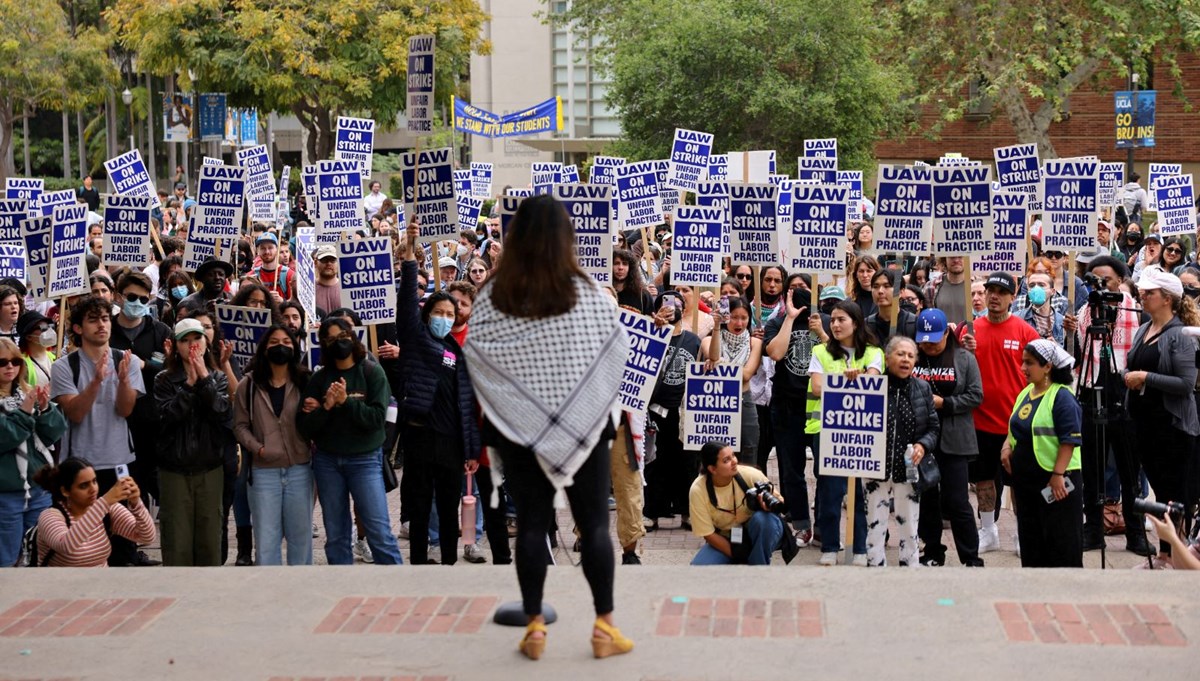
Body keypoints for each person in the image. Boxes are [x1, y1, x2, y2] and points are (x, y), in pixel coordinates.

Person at [463, 195, 632, 660]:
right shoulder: (590, 295)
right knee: (596, 524)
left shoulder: (493, 298)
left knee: (533, 524)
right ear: (566, 238)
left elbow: (475, 357)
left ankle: (534, 627)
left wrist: (512, 407)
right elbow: (616, 354)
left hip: (517, 429)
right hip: (586, 424)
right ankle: (604, 627)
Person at [397, 222, 481, 566]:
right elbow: (405, 300)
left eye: (451, 314)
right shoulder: (416, 340)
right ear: (426, 314)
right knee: (419, 507)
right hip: (419, 436)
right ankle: (418, 563)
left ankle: (448, 564)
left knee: (448, 508)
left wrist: (471, 449)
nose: (445, 319)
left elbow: (465, 405)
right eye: (439, 313)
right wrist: (410, 252)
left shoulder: (457, 352)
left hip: (450, 443)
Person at [1063, 255, 1153, 556]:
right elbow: (1075, 359)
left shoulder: (1132, 309)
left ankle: (1136, 533)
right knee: (1092, 468)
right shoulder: (1086, 311)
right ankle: (1093, 531)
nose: (1101, 285)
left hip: (1124, 398)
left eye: (1107, 280)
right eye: (1095, 280)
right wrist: (1072, 332)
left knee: (1129, 470)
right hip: (1091, 394)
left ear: (1120, 281)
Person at [50, 295, 147, 566]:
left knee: (124, 543)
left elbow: (125, 410)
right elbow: (75, 413)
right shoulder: (64, 366)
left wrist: (125, 379)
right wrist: (95, 382)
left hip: (119, 462)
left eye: (105, 319)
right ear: (78, 328)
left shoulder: (124, 360)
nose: (101, 325)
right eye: (93, 320)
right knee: (84, 545)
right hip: (80, 466)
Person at [298, 316, 402, 565]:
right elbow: (304, 427)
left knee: (379, 532)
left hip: (365, 461)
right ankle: (341, 588)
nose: (338, 342)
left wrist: (346, 403)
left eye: (342, 336)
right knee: (336, 535)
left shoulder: (371, 372)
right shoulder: (319, 378)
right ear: (323, 343)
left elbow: (377, 419)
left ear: (353, 337)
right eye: (331, 339)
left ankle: (400, 587)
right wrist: (327, 406)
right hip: (327, 462)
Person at [1122, 265, 1200, 566]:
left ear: (1167, 298)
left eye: (1150, 292)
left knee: (1174, 495)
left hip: (1173, 428)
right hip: (1145, 425)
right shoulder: (1144, 328)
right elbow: (1133, 362)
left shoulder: (1180, 334)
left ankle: (1176, 556)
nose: (1143, 295)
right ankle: (1165, 555)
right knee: (1159, 492)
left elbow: (1185, 384)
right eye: (1142, 291)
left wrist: (1145, 376)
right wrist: (1131, 373)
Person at [963, 272, 1040, 554]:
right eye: (990, 290)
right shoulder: (970, 330)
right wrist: (965, 349)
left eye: (1001, 292)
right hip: (980, 421)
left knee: (1018, 482)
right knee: (983, 479)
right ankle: (988, 531)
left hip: (1016, 424)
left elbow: (1042, 373)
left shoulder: (1024, 331)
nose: (994, 296)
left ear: (1012, 296)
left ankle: (1021, 534)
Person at [808, 300, 883, 565]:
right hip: (826, 430)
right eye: (833, 320)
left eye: (842, 319)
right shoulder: (820, 351)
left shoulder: (873, 352)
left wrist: (860, 376)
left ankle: (859, 548)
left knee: (858, 492)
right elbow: (817, 388)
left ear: (856, 322)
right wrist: (846, 379)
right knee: (830, 491)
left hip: (861, 431)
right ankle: (829, 545)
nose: (836, 324)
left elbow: (873, 380)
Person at [153, 318, 232, 566]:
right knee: (177, 545)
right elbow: (166, 418)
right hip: (174, 470)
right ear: (176, 346)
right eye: (185, 341)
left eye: (196, 339)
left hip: (209, 468)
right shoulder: (164, 380)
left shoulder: (218, 378)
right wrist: (188, 386)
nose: (192, 346)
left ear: (206, 343)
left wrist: (204, 380)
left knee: (209, 542)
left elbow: (222, 412)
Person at [233, 325, 313, 566]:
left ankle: (301, 595)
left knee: (301, 539)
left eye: (287, 342)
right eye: (275, 342)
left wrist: (317, 410)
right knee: (267, 542)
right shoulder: (248, 385)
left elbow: (317, 423)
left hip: (300, 469)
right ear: (264, 348)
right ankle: (270, 597)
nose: (281, 346)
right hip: (263, 472)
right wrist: (257, 448)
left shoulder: (306, 381)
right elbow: (239, 426)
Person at [1000, 339, 1084, 568]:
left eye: (1029, 363)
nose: (1023, 368)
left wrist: (1058, 475)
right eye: (1022, 362)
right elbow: (1014, 426)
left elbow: (1070, 441)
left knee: (1060, 544)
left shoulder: (1062, 397)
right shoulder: (1027, 392)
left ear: (1048, 366)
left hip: (1057, 485)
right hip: (1028, 484)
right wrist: (1007, 446)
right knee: (1032, 544)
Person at [913, 309, 985, 567]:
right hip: (922, 439)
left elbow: (976, 395)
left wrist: (946, 403)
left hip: (954, 439)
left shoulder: (964, 359)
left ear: (947, 333)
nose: (929, 345)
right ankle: (932, 551)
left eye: (934, 339)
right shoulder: (914, 357)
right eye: (924, 340)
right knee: (927, 499)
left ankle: (971, 557)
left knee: (957, 501)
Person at [763, 283, 830, 544]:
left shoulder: (827, 320)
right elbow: (777, 353)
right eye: (793, 288)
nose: (799, 292)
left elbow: (842, 356)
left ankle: (824, 523)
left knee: (825, 470)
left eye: (804, 287)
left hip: (820, 406)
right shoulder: (776, 322)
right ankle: (802, 524)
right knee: (791, 471)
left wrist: (822, 331)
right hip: (787, 406)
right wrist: (789, 318)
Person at [865, 336, 940, 567]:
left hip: (909, 471)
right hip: (875, 469)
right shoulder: (871, 386)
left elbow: (933, 427)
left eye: (910, 355)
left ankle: (910, 573)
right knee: (875, 527)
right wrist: (853, 380)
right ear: (887, 358)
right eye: (900, 354)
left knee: (909, 528)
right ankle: (875, 571)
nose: (905, 360)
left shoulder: (923, 388)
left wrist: (922, 445)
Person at [0, 338, 66, 567]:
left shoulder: (26, 393)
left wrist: (46, 408)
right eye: (2, 362)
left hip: (38, 489)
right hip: (6, 494)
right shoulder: (25, 402)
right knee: (6, 558)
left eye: (15, 361)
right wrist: (25, 412)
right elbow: (5, 437)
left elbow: (53, 434)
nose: (10, 367)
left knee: (40, 553)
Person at [108, 272, 171, 511]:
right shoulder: (108, 331)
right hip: (117, 421)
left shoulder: (160, 331)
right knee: (127, 488)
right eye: (132, 297)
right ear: (119, 296)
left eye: (143, 300)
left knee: (157, 482)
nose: (137, 304)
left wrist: (145, 365)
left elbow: (173, 368)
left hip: (153, 420)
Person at [643, 290, 702, 531]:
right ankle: (652, 512)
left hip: (683, 411)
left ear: (684, 309)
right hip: (656, 410)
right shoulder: (651, 335)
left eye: (677, 302)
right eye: (666, 303)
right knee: (655, 463)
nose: (672, 306)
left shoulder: (693, 340)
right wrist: (655, 331)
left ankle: (687, 512)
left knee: (687, 463)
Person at [32, 458, 155, 567]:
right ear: (65, 491)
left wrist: (135, 503)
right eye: (84, 486)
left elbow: (147, 537)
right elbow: (67, 546)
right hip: (61, 588)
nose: (93, 489)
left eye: (94, 481)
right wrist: (104, 502)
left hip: (99, 587)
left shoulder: (108, 509)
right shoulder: (50, 516)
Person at [688, 441, 785, 565]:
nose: (734, 461)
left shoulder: (750, 474)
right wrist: (739, 557)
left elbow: (780, 502)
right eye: (726, 460)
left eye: (733, 455)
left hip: (758, 532)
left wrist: (766, 506)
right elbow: (708, 534)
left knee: (765, 520)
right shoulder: (698, 490)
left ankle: (759, 570)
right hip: (726, 538)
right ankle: (749, 563)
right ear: (712, 469)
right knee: (699, 567)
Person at [701, 296, 763, 471]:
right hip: (718, 401)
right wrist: (716, 327)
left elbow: (746, 374)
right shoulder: (708, 340)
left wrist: (722, 364)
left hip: (744, 400)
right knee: (718, 453)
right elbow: (712, 356)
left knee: (749, 449)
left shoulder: (754, 342)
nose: (739, 323)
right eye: (734, 317)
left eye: (744, 318)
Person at [1015, 270, 1065, 345]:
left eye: (1041, 285)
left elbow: (1066, 354)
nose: (1036, 289)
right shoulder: (1017, 318)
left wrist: (1055, 347)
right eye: (1032, 285)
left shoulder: (1062, 322)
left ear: (1052, 291)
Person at [865, 269, 917, 342]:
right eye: (875, 286)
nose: (880, 291)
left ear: (901, 292)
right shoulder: (866, 326)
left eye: (887, 286)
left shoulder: (913, 324)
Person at [249, 233, 296, 303]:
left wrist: (282, 301)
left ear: (277, 249)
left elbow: (296, 305)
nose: (267, 251)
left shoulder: (289, 275)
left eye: (270, 248)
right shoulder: (251, 276)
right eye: (263, 248)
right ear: (258, 251)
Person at [16, 311, 56, 388]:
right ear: (28, 337)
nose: (49, 331)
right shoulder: (21, 363)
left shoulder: (55, 357)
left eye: (51, 326)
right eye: (43, 328)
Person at [924, 256, 968, 325]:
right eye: (951, 257)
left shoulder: (978, 286)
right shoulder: (931, 287)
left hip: (970, 334)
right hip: (942, 335)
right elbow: (927, 319)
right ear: (944, 260)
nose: (956, 260)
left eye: (960, 256)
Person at [612, 249, 654, 315]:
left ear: (630, 268)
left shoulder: (643, 296)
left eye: (625, 264)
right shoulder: (602, 293)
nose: (620, 267)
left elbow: (651, 321)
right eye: (616, 263)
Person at [313, 244, 341, 316]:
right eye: (324, 260)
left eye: (333, 260)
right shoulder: (309, 290)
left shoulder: (346, 290)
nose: (329, 263)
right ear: (315, 262)